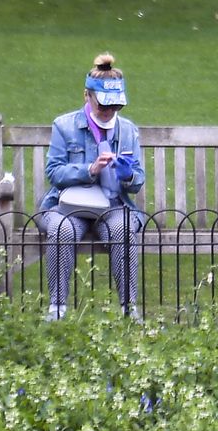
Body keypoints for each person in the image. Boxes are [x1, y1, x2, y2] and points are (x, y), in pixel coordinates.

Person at [38, 53, 145, 322]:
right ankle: (58, 309)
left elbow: (138, 181)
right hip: (69, 206)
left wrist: (128, 175)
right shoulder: (65, 126)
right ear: (87, 96)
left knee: (123, 229)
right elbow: (54, 173)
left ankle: (128, 310)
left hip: (112, 206)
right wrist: (90, 169)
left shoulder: (128, 130)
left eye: (115, 106)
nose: (109, 112)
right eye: (103, 106)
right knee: (61, 230)